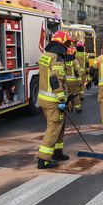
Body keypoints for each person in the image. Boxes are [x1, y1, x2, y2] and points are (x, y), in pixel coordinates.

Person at [37, 30, 73, 169]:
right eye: (67, 43)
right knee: (53, 127)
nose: (68, 47)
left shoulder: (45, 55)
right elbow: (55, 79)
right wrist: (62, 98)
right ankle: (43, 159)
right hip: (53, 100)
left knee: (59, 126)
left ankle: (57, 152)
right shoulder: (57, 58)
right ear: (62, 42)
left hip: (44, 99)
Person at [65, 46, 82, 112]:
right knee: (75, 95)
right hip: (74, 81)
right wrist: (80, 82)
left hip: (66, 81)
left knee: (68, 95)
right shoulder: (75, 61)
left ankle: (69, 107)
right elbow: (77, 72)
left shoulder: (64, 61)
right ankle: (78, 108)